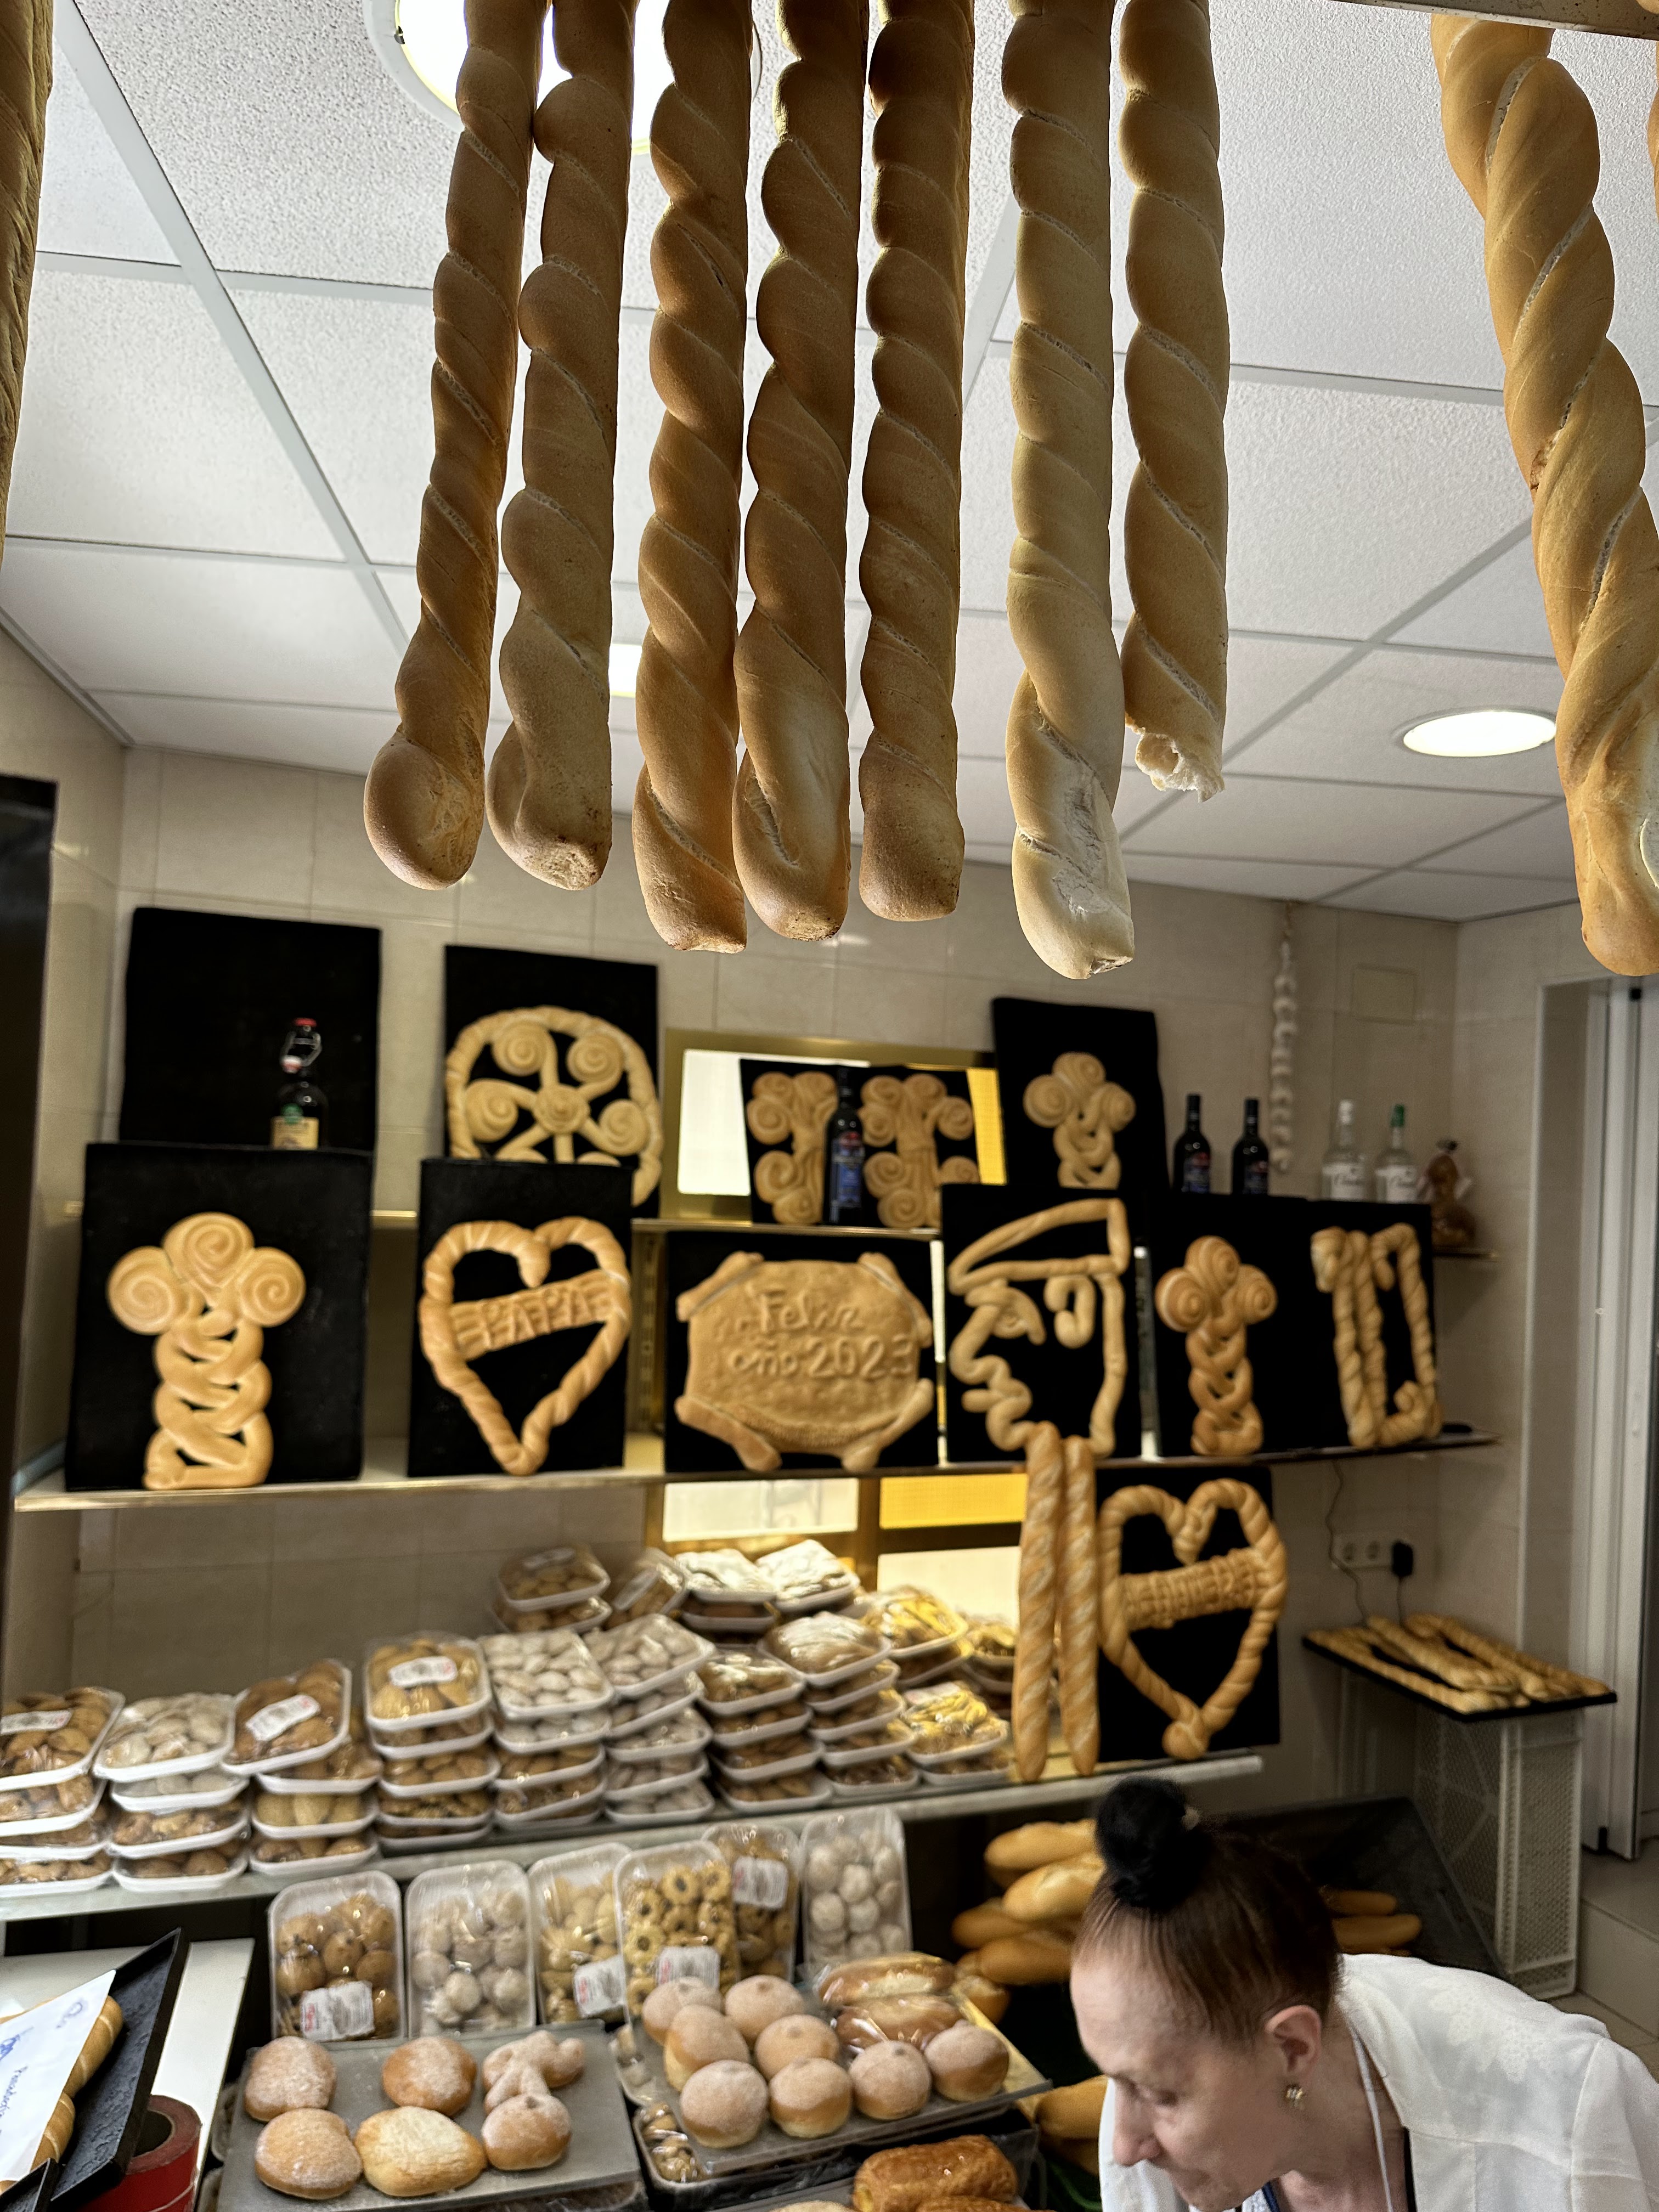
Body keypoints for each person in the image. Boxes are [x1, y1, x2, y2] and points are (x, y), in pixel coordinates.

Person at [1071, 1778, 1659, 2210]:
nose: (1123, 2146)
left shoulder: (1569, 2128)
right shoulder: (1145, 2129)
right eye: (1114, 2079)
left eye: (1162, 2094)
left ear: (1293, 2048)